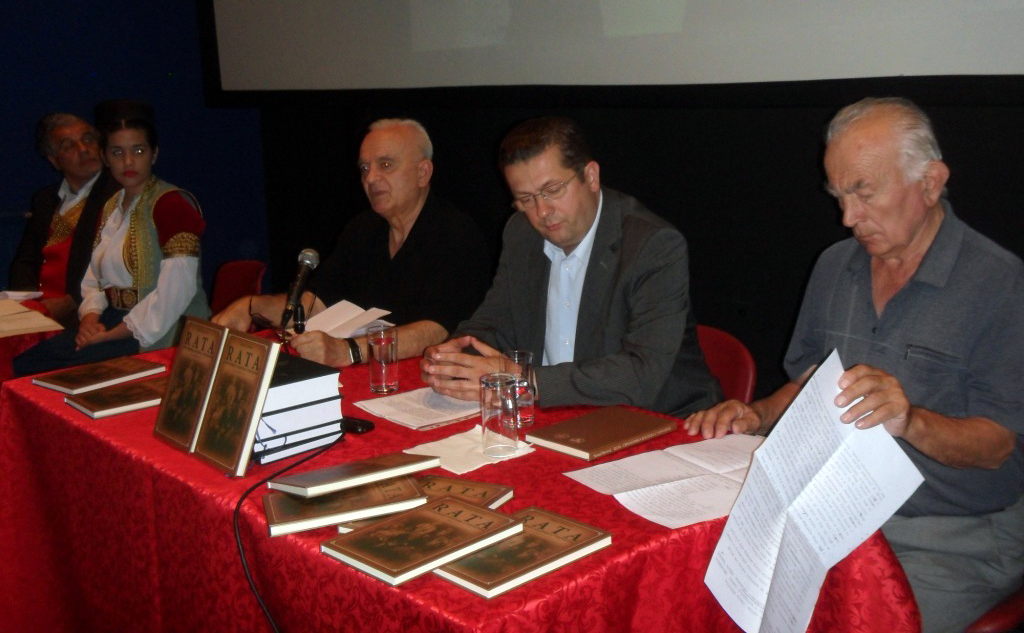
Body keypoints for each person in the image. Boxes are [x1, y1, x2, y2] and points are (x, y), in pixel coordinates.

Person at [684, 97, 1024, 633]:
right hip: (831, 511)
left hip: (952, 534)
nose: (848, 218)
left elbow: (998, 446)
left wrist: (909, 421)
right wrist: (758, 414)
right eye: (839, 196)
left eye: (864, 193)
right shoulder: (835, 266)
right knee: (704, 593)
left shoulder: (999, 284)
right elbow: (810, 382)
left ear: (931, 182)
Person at [421, 116, 720, 416]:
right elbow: (496, 321)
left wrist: (526, 380)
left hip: (658, 420)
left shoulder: (652, 246)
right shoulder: (521, 233)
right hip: (556, 416)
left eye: (553, 190)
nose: (542, 211)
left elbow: (641, 373)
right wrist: (453, 357)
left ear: (590, 176)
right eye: (526, 199)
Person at [213, 118, 491, 367]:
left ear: (423, 173)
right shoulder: (363, 229)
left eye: (385, 165)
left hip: (422, 379)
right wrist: (251, 307)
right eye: (365, 168)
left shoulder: (456, 234)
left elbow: (438, 329)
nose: (370, 178)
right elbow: (314, 304)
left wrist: (349, 351)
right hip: (366, 374)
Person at [13, 101, 210, 375]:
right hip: (113, 322)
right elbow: (94, 278)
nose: (128, 162)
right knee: (27, 362)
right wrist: (90, 319)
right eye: (117, 152)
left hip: (164, 330)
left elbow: (176, 293)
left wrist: (109, 335)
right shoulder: (112, 207)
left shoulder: (171, 204)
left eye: (138, 151)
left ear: (154, 154)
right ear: (105, 158)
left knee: (40, 369)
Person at [8, 113, 120, 326]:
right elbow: (26, 260)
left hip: (89, 313)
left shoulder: (118, 194)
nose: (84, 149)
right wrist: (27, 300)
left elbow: (116, 267)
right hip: (41, 309)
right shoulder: (45, 199)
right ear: (54, 160)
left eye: (88, 139)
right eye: (69, 146)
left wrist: (72, 301)